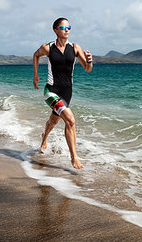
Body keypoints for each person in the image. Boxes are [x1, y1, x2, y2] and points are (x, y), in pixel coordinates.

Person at [33, 17, 93, 169]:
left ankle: (44, 138)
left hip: (67, 93)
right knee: (70, 120)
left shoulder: (75, 48)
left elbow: (87, 69)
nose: (67, 30)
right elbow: (35, 55)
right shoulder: (48, 48)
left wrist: (90, 61)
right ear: (55, 30)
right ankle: (74, 158)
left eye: (69, 27)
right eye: (63, 27)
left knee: (53, 122)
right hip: (51, 91)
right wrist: (36, 75)